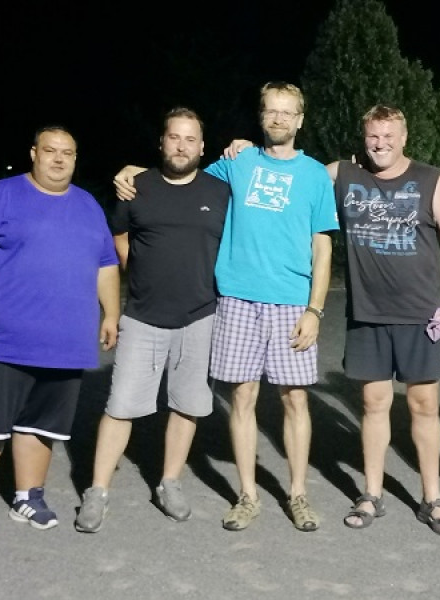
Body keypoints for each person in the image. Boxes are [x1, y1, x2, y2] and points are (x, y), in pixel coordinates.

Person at [223, 104, 440, 536]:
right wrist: (251, 150)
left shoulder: (432, 180)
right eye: (374, 136)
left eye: (389, 136)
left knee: (424, 406)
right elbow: (294, 172)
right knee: (373, 405)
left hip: (420, 314)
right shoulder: (342, 173)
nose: (381, 143)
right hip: (367, 314)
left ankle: (432, 499)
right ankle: (371, 493)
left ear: (404, 137)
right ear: (364, 137)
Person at [113, 82, 339, 532]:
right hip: (236, 298)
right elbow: (180, 172)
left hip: (291, 301)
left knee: (295, 399)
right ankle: (248, 495)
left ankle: (298, 494)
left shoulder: (314, 175)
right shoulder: (237, 163)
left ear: (300, 120)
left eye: (287, 112)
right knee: (243, 398)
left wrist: (315, 310)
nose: (278, 118)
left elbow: (323, 246)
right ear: (261, 116)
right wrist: (133, 170)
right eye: (270, 110)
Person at [0, 125, 121, 544]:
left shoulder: (88, 205)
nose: (59, 159)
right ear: (33, 153)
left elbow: (105, 264)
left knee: (41, 425)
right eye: (50, 150)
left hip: (64, 344)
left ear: (75, 159)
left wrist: (112, 313)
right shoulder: (0, 196)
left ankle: (29, 496)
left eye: (67, 153)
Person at [74, 108, 230, 532]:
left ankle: (169, 482)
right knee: (120, 405)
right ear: (162, 142)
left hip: (201, 316)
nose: (181, 146)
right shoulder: (136, 187)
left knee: (187, 405)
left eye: (190, 139)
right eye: (174, 137)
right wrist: (137, 269)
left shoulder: (220, 191)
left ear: (202, 147)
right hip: (143, 316)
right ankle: (97, 490)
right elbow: (119, 235)